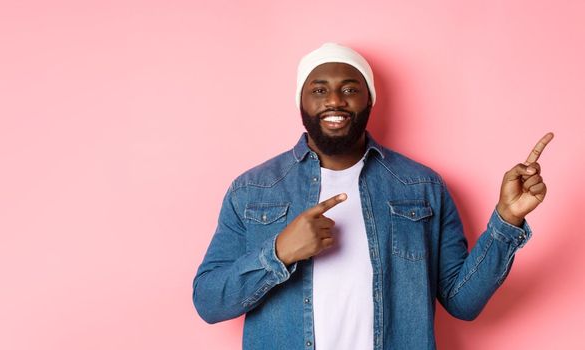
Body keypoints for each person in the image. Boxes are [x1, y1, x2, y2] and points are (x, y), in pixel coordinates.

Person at [191, 42, 552, 349]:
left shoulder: (421, 186)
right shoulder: (252, 189)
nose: (335, 100)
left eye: (350, 88)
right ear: (300, 101)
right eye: (319, 89)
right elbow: (209, 302)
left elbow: (463, 302)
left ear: (369, 100)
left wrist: (507, 219)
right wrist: (279, 252)